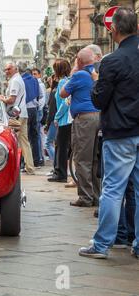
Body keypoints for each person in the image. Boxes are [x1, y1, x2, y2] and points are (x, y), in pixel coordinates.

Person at [79, 7, 139, 259]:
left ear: (112, 30)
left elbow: (99, 100)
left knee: (113, 189)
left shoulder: (111, 61)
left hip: (120, 132)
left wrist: (95, 81)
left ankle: (102, 244)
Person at [60, 48, 101, 208]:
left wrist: (75, 70)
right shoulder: (98, 72)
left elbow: (63, 93)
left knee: (82, 159)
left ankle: (85, 197)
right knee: (96, 160)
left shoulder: (79, 75)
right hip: (99, 117)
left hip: (84, 119)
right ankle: (97, 196)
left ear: (79, 60)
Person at [0, 62, 35, 175]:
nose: (6, 71)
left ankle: (11, 167)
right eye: (5, 69)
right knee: (24, 141)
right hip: (22, 113)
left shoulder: (15, 81)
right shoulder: (17, 79)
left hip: (15, 115)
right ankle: (30, 167)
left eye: (8, 69)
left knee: (11, 141)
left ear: (15, 69)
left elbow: (12, 100)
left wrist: (0, 98)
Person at [48, 59, 72, 183]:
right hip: (67, 118)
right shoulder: (68, 80)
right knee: (61, 145)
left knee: (61, 147)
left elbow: (64, 103)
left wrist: (56, 117)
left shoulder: (63, 82)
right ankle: (59, 171)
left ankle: (60, 173)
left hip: (64, 119)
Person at [21, 65, 42, 168]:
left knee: (24, 137)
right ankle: (36, 161)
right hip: (34, 109)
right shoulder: (35, 80)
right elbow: (40, 95)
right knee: (34, 136)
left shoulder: (22, 80)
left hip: (25, 110)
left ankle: (25, 163)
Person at [32, 68, 47, 166]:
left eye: (35, 74)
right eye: (32, 74)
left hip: (38, 111)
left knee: (38, 135)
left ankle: (40, 158)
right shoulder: (36, 84)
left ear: (39, 75)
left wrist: (38, 109)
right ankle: (40, 157)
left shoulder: (40, 85)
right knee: (39, 135)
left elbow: (42, 99)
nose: (34, 76)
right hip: (38, 110)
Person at [44, 75, 59, 163]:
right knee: (55, 143)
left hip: (54, 120)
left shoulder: (54, 92)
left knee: (48, 143)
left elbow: (51, 111)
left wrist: (47, 125)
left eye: (50, 81)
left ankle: (55, 165)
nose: (49, 82)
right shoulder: (58, 90)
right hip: (59, 120)